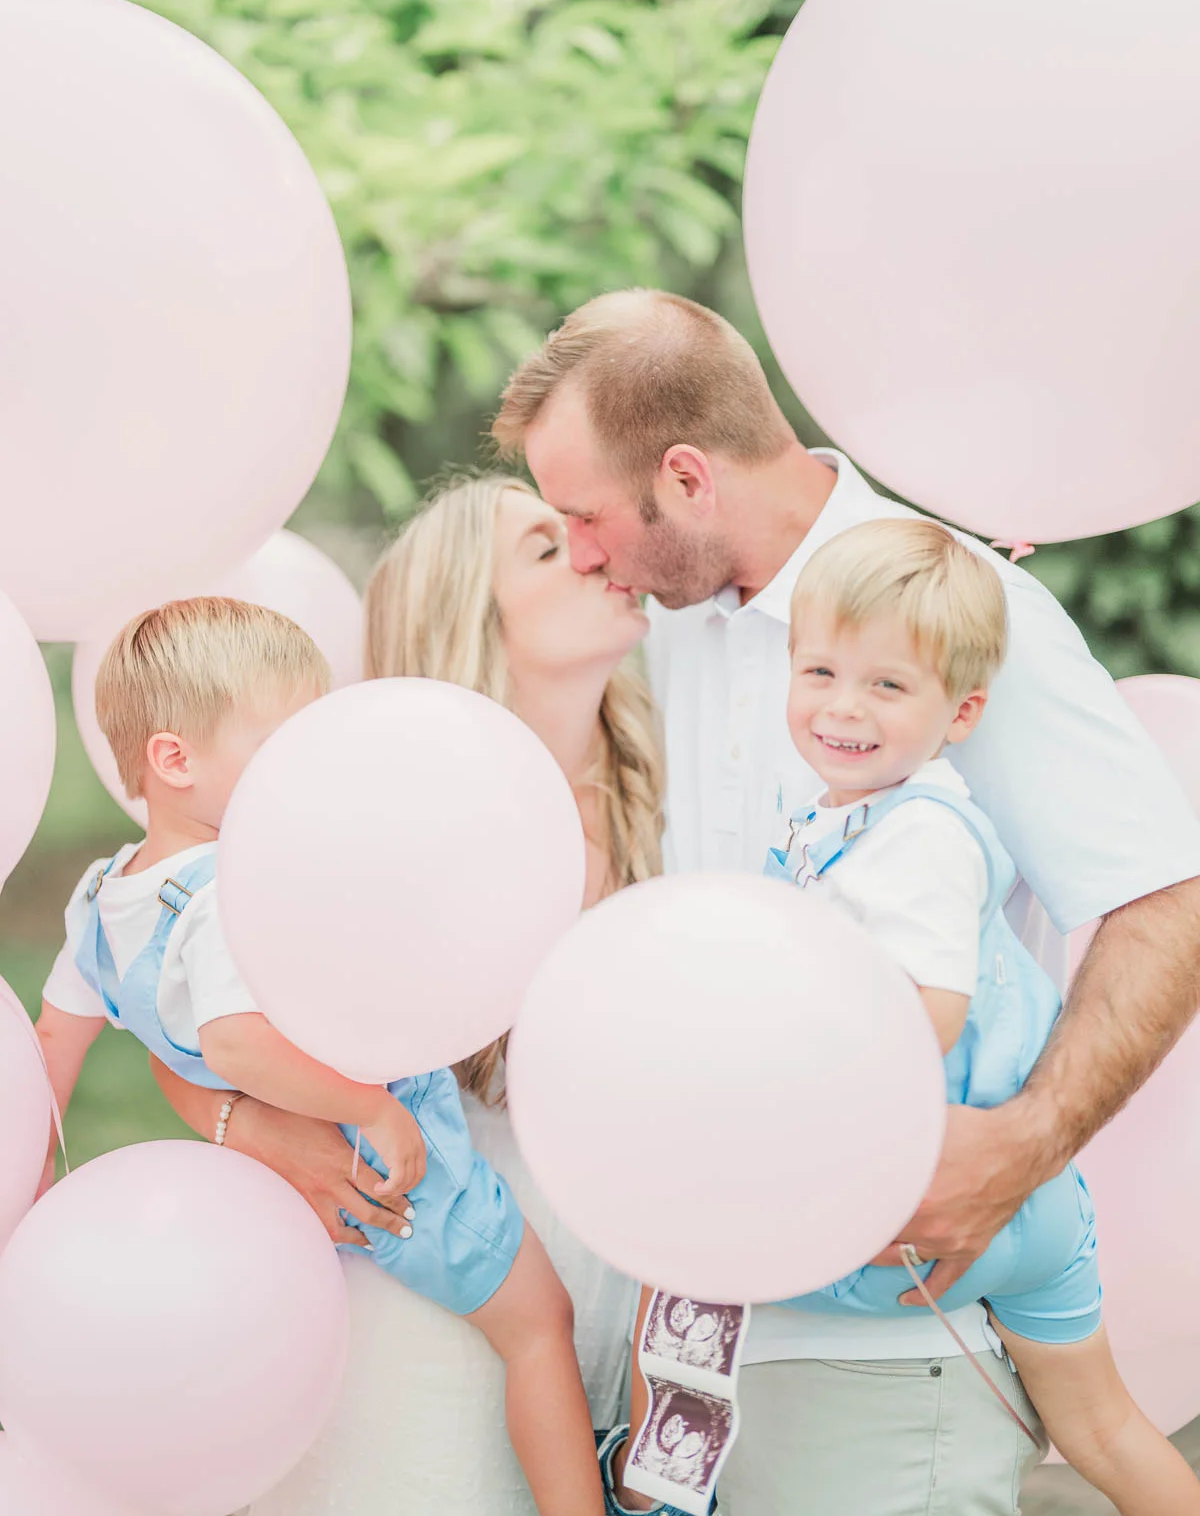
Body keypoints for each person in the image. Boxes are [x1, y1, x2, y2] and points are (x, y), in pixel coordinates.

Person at [490, 287, 1200, 1515]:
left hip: (890, 1346)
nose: (584, 552)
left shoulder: (956, 613)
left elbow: (1167, 899)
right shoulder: (661, 626)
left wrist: (1027, 1144)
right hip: (691, 1341)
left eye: (586, 517)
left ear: (686, 478)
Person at [153, 478, 665, 1515]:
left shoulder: (670, 792)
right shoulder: (372, 811)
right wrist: (244, 1122)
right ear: (468, 619)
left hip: (610, 1313)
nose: (593, 545)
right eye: (541, 547)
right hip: (424, 1299)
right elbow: (174, 1005)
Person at [34, 594, 608, 1516]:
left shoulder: (103, 897)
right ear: (175, 760)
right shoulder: (227, 894)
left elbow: (55, 1044)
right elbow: (238, 1043)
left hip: (255, 1180)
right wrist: (375, 1108)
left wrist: (27, 1189)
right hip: (382, 1153)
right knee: (541, 1326)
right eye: (283, 747)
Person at [763, 519, 1196, 1513]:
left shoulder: (917, 834)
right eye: (821, 669)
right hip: (1035, 1202)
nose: (843, 707)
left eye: (887, 685)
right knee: (1103, 1428)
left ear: (961, 712)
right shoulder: (842, 816)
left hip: (958, 1193)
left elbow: (932, 1019)